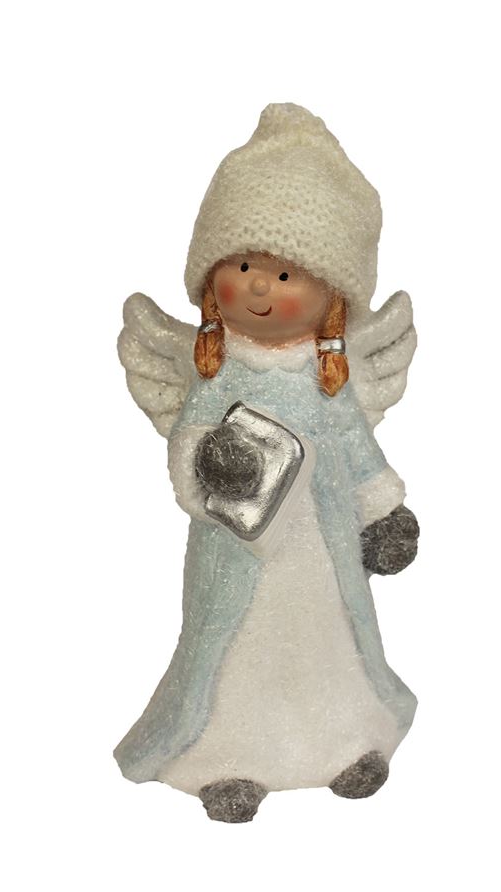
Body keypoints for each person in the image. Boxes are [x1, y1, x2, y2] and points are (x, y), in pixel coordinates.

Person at [114, 103, 419, 823]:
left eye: (285, 273)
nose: (259, 287)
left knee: (328, 646)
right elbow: (189, 443)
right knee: (238, 652)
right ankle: (229, 759)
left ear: (333, 298)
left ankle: (343, 745)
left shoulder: (328, 379)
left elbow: (356, 449)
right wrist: (211, 462)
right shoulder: (216, 374)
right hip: (238, 556)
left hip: (324, 556)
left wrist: (384, 511)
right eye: (244, 266)